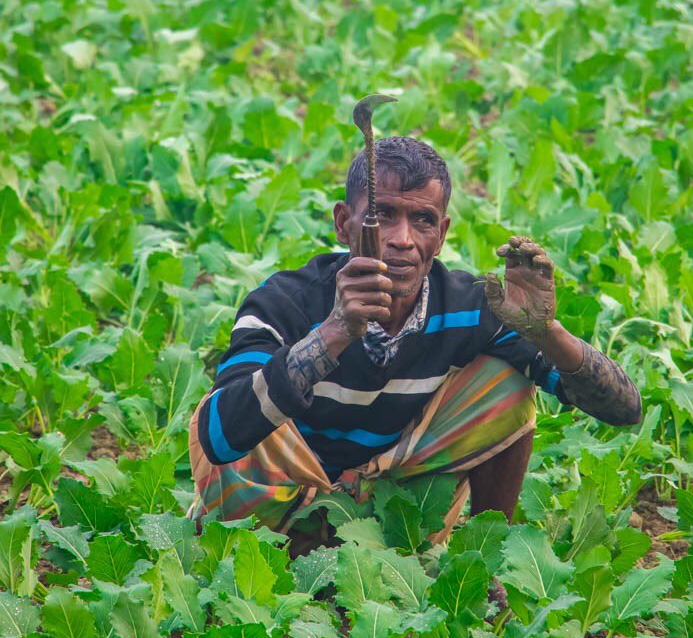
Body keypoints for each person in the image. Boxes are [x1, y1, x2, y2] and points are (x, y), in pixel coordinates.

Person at [189, 137, 641, 548]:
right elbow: (218, 438)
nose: (403, 240)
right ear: (344, 224)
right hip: (270, 518)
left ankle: (482, 557)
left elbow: (625, 410)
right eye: (382, 215)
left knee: (507, 378)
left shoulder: (471, 307)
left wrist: (547, 333)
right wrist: (335, 332)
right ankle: (284, 546)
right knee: (239, 399)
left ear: (441, 235)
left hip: (388, 513)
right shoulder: (284, 302)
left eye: (421, 220)